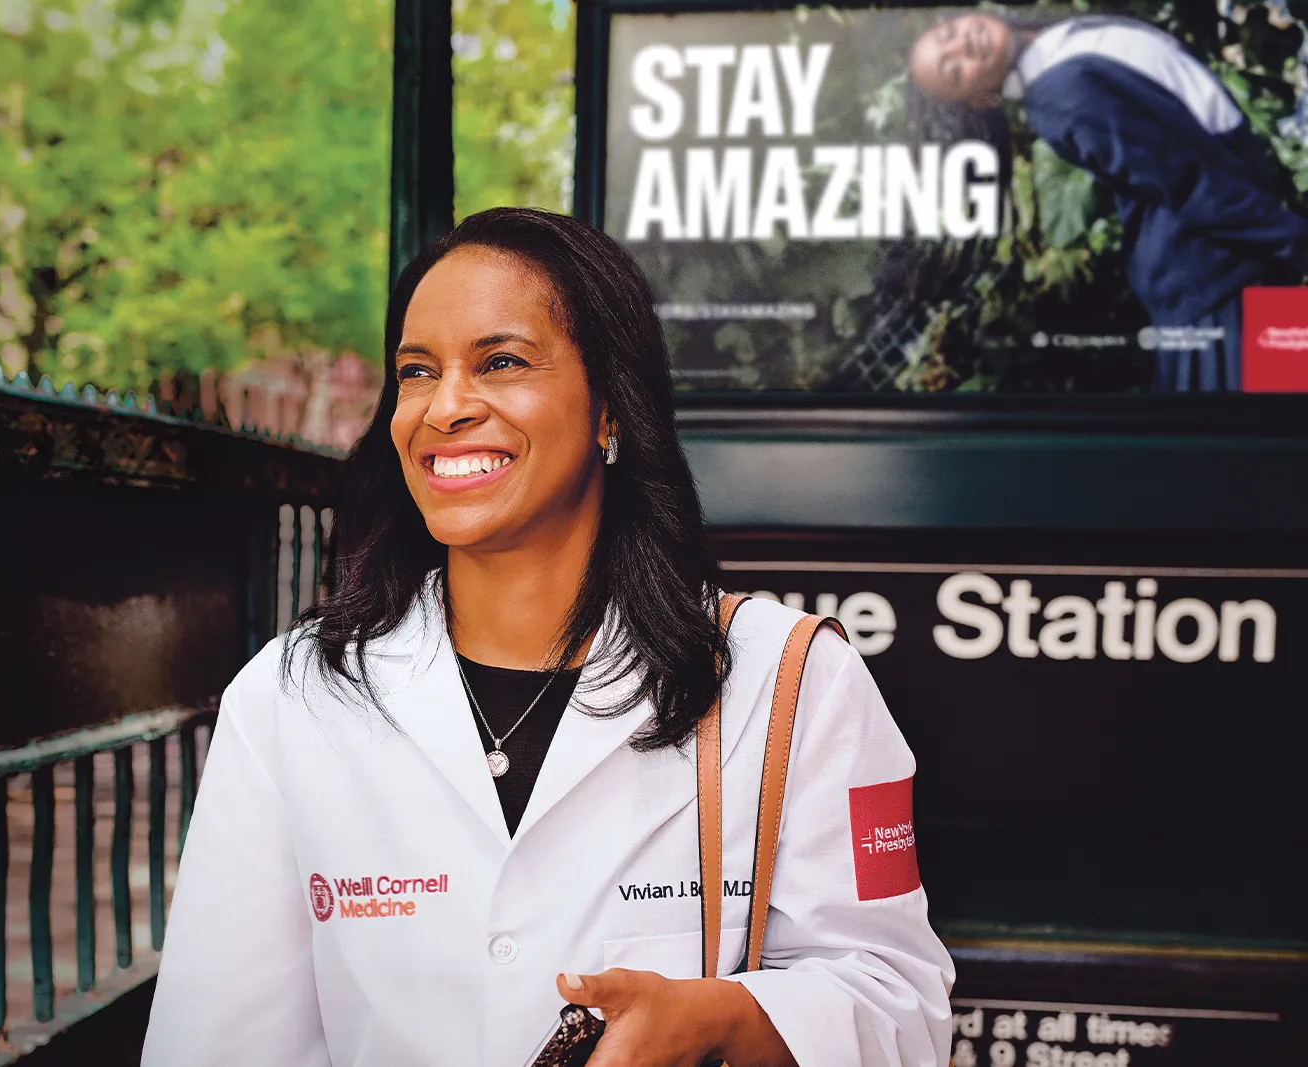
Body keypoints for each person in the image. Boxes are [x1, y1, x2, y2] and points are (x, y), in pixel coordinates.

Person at [141, 207, 954, 1067]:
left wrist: (720, 1017)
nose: (445, 406)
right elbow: (218, 1042)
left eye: (500, 361)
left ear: (610, 409)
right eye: (417, 372)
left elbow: (900, 1002)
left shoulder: (790, 680)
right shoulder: (292, 696)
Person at [909, 11, 1308, 392]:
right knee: (1267, 437)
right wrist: (1291, 237)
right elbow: (1181, 179)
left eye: (949, 35)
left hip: (1241, 254)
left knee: (1282, 424)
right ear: (982, 102)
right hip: (1220, 280)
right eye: (955, 70)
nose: (964, 46)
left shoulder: (1055, 46)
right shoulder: (1061, 94)